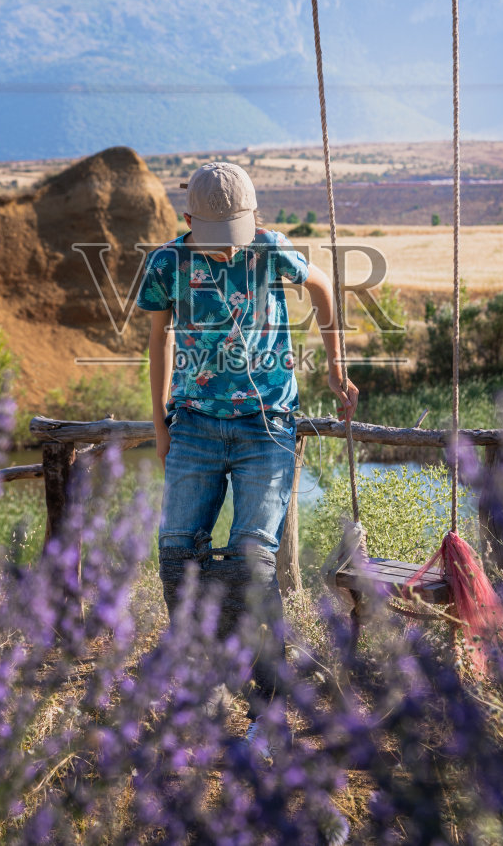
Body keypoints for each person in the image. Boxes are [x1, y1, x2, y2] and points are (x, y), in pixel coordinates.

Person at [137, 160, 357, 691]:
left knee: (253, 562)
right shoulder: (167, 263)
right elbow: (159, 339)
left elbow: (323, 286)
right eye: (215, 238)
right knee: (177, 557)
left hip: (267, 426)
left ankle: (267, 688)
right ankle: (204, 676)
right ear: (188, 219)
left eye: (235, 235)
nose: (227, 249)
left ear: (253, 220)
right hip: (193, 424)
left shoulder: (269, 248)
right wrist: (161, 423)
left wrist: (334, 367)